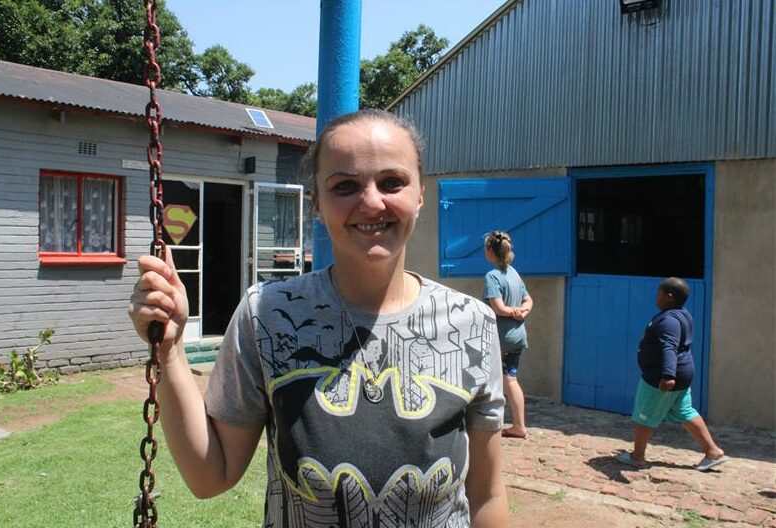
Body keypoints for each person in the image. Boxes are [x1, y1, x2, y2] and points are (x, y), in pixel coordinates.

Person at [128, 109, 511, 527]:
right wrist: (169, 352)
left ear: (420, 194)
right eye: (345, 186)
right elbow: (210, 476)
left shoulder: (471, 324)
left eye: (392, 182)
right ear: (316, 203)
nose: (371, 202)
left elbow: (486, 496)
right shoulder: (269, 315)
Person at [617, 277, 729, 472]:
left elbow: (669, 348)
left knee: (643, 416)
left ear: (669, 297)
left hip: (661, 378)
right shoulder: (682, 314)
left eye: (659, 293)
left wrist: (668, 375)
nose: (656, 296)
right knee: (685, 412)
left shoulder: (669, 321)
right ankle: (712, 451)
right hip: (683, 374)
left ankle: (637, 457)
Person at [482, 231, 534, 440]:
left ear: (490, 251)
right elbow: (529, 301)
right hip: (518, 336)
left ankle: (502, 425)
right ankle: (517, 425)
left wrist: (512, 311)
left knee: (506, 381)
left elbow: (498, 308)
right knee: (510, 379)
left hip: (502, 338)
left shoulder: (491, 276)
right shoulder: (513, 273)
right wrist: (522, 312)